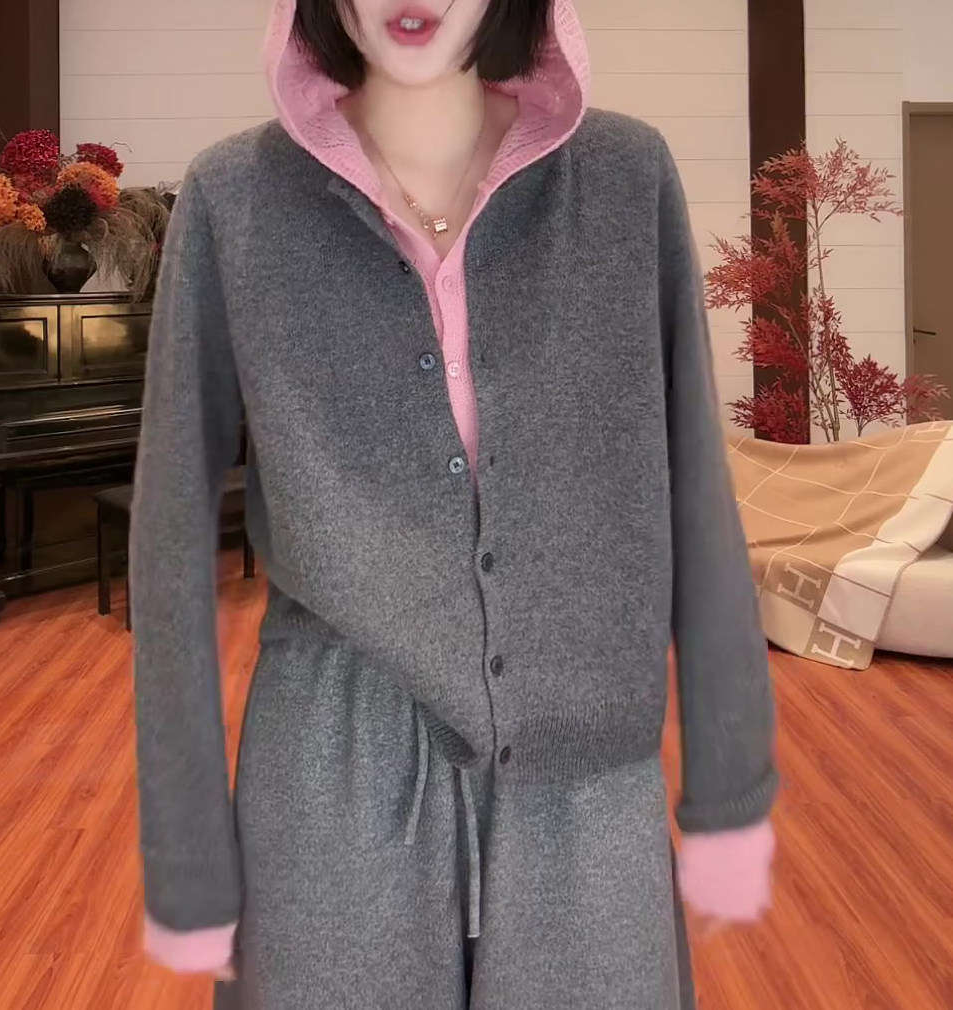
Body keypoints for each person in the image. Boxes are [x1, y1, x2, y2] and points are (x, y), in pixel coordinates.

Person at [129, 0, 778, 1006]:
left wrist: (730, 789)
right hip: (335, 773)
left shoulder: (624, 180)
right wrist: (187, 862)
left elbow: (695, 483)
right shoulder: (234, 199)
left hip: (587, 782)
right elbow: (170, 538)